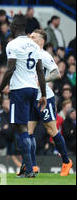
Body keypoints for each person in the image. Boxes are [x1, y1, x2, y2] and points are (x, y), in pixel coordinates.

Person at [0, 14, 47, 178]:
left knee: (21, 129)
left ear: (15, 26)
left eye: (11, 25)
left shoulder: (12, 44)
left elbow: (10, 69)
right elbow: (40, 70)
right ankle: (30, 166)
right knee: (26, 129)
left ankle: (30, 169)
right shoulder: (33, 45)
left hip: (19, 90)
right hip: (33, 88)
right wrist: (43, 93)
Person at [28, 29, 73, 176]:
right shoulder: (28, 54)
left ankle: (66, 162)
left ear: (41, 41)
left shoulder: (44, 55)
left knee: (52, 131)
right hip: (31, 98)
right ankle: (33, 166)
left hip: (45, 97)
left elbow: (56, 73)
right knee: (28, 132)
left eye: (33, 36)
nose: (30, 37)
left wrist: (42, 80)